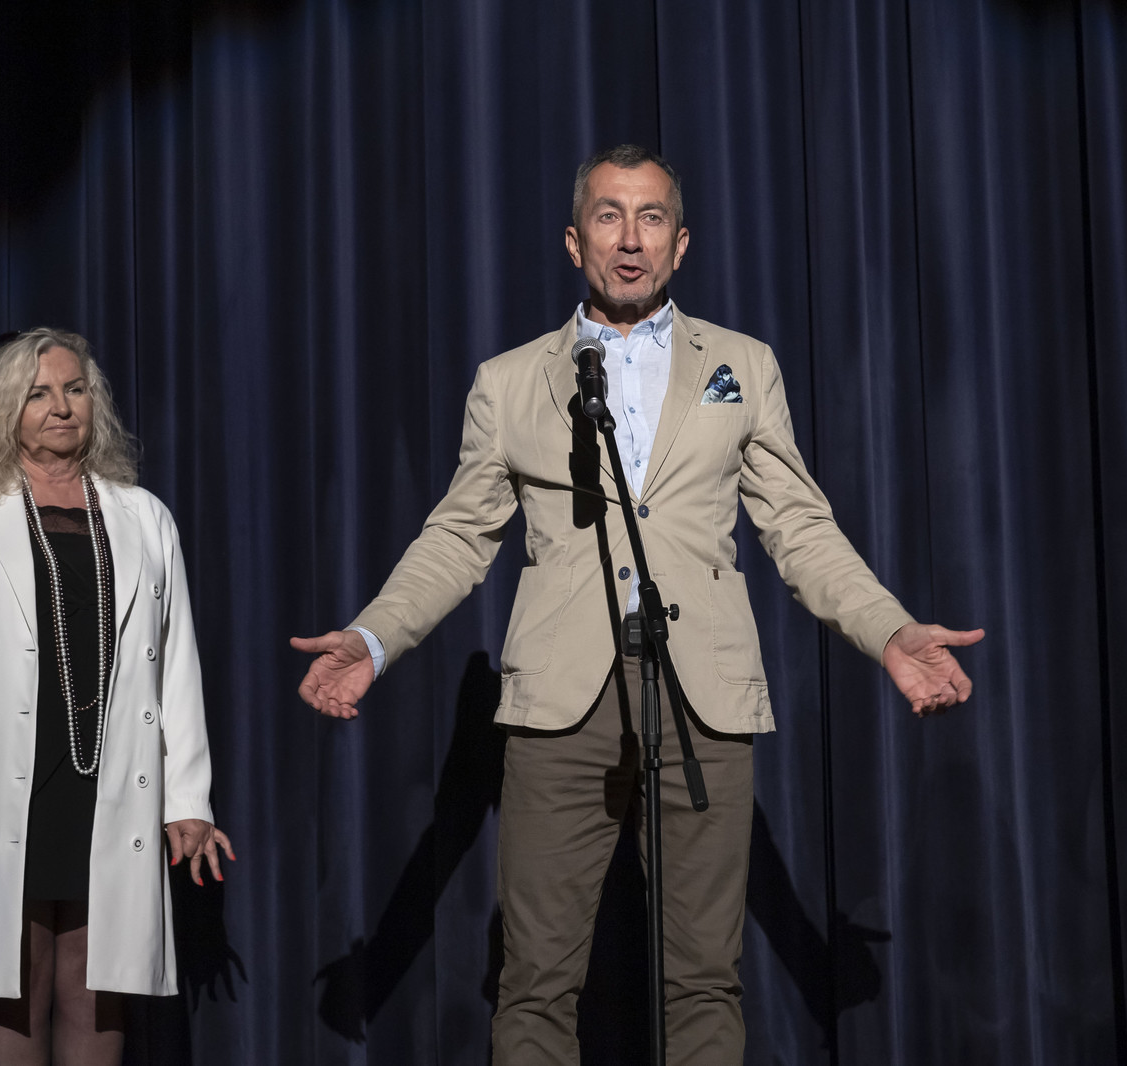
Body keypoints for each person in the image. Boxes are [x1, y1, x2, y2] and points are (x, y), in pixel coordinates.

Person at [292, 145, 982, 1064]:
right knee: (534, 984)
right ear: (574, 240)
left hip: (703, 697)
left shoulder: (743, 365)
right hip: (559, 706)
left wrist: (888, 631)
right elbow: (458, 537)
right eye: (609, 216)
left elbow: (799, 528)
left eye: (651, 217)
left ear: (680, 243)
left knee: (705, 980)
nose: (630, 239)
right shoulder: (511, 381)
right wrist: (374, 637)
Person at [0, 328, 233, 1065]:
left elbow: (176, 668)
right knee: (15, 979)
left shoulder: (143, 515)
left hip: (108, 778)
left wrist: (188, 800)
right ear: (4, 407)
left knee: (95, 985)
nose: (61, 407)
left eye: (74, 390)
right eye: (38, 393)